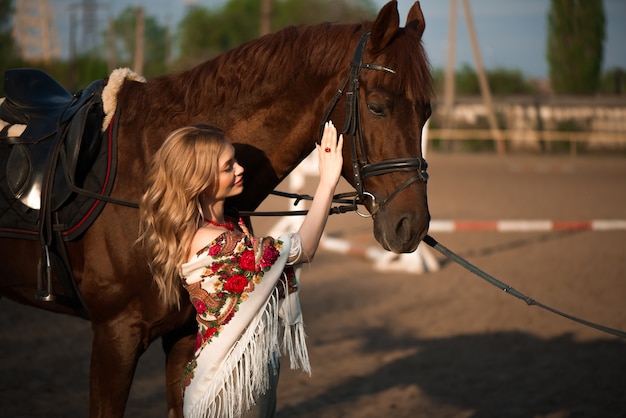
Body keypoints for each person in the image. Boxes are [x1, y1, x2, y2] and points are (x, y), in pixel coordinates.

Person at [138, 122, 344, 418]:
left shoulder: (227, 227)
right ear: (200, 180)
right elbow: (302, 248)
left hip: (244, 379)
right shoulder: (218, 243)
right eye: (227, 167)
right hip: (228, 391)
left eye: (234, 159)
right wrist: (327, 182)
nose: (239, 169)